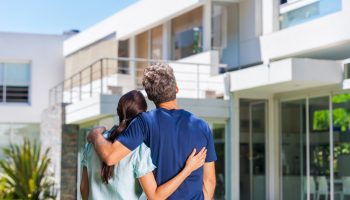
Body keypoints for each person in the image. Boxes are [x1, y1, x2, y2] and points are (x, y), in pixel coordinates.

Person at [88, 63, 217, 199]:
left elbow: (110, 157)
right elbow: (209, 181)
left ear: (150, 96)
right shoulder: (202, 126)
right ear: (177, 89)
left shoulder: (144, 122)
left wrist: (95, 134)